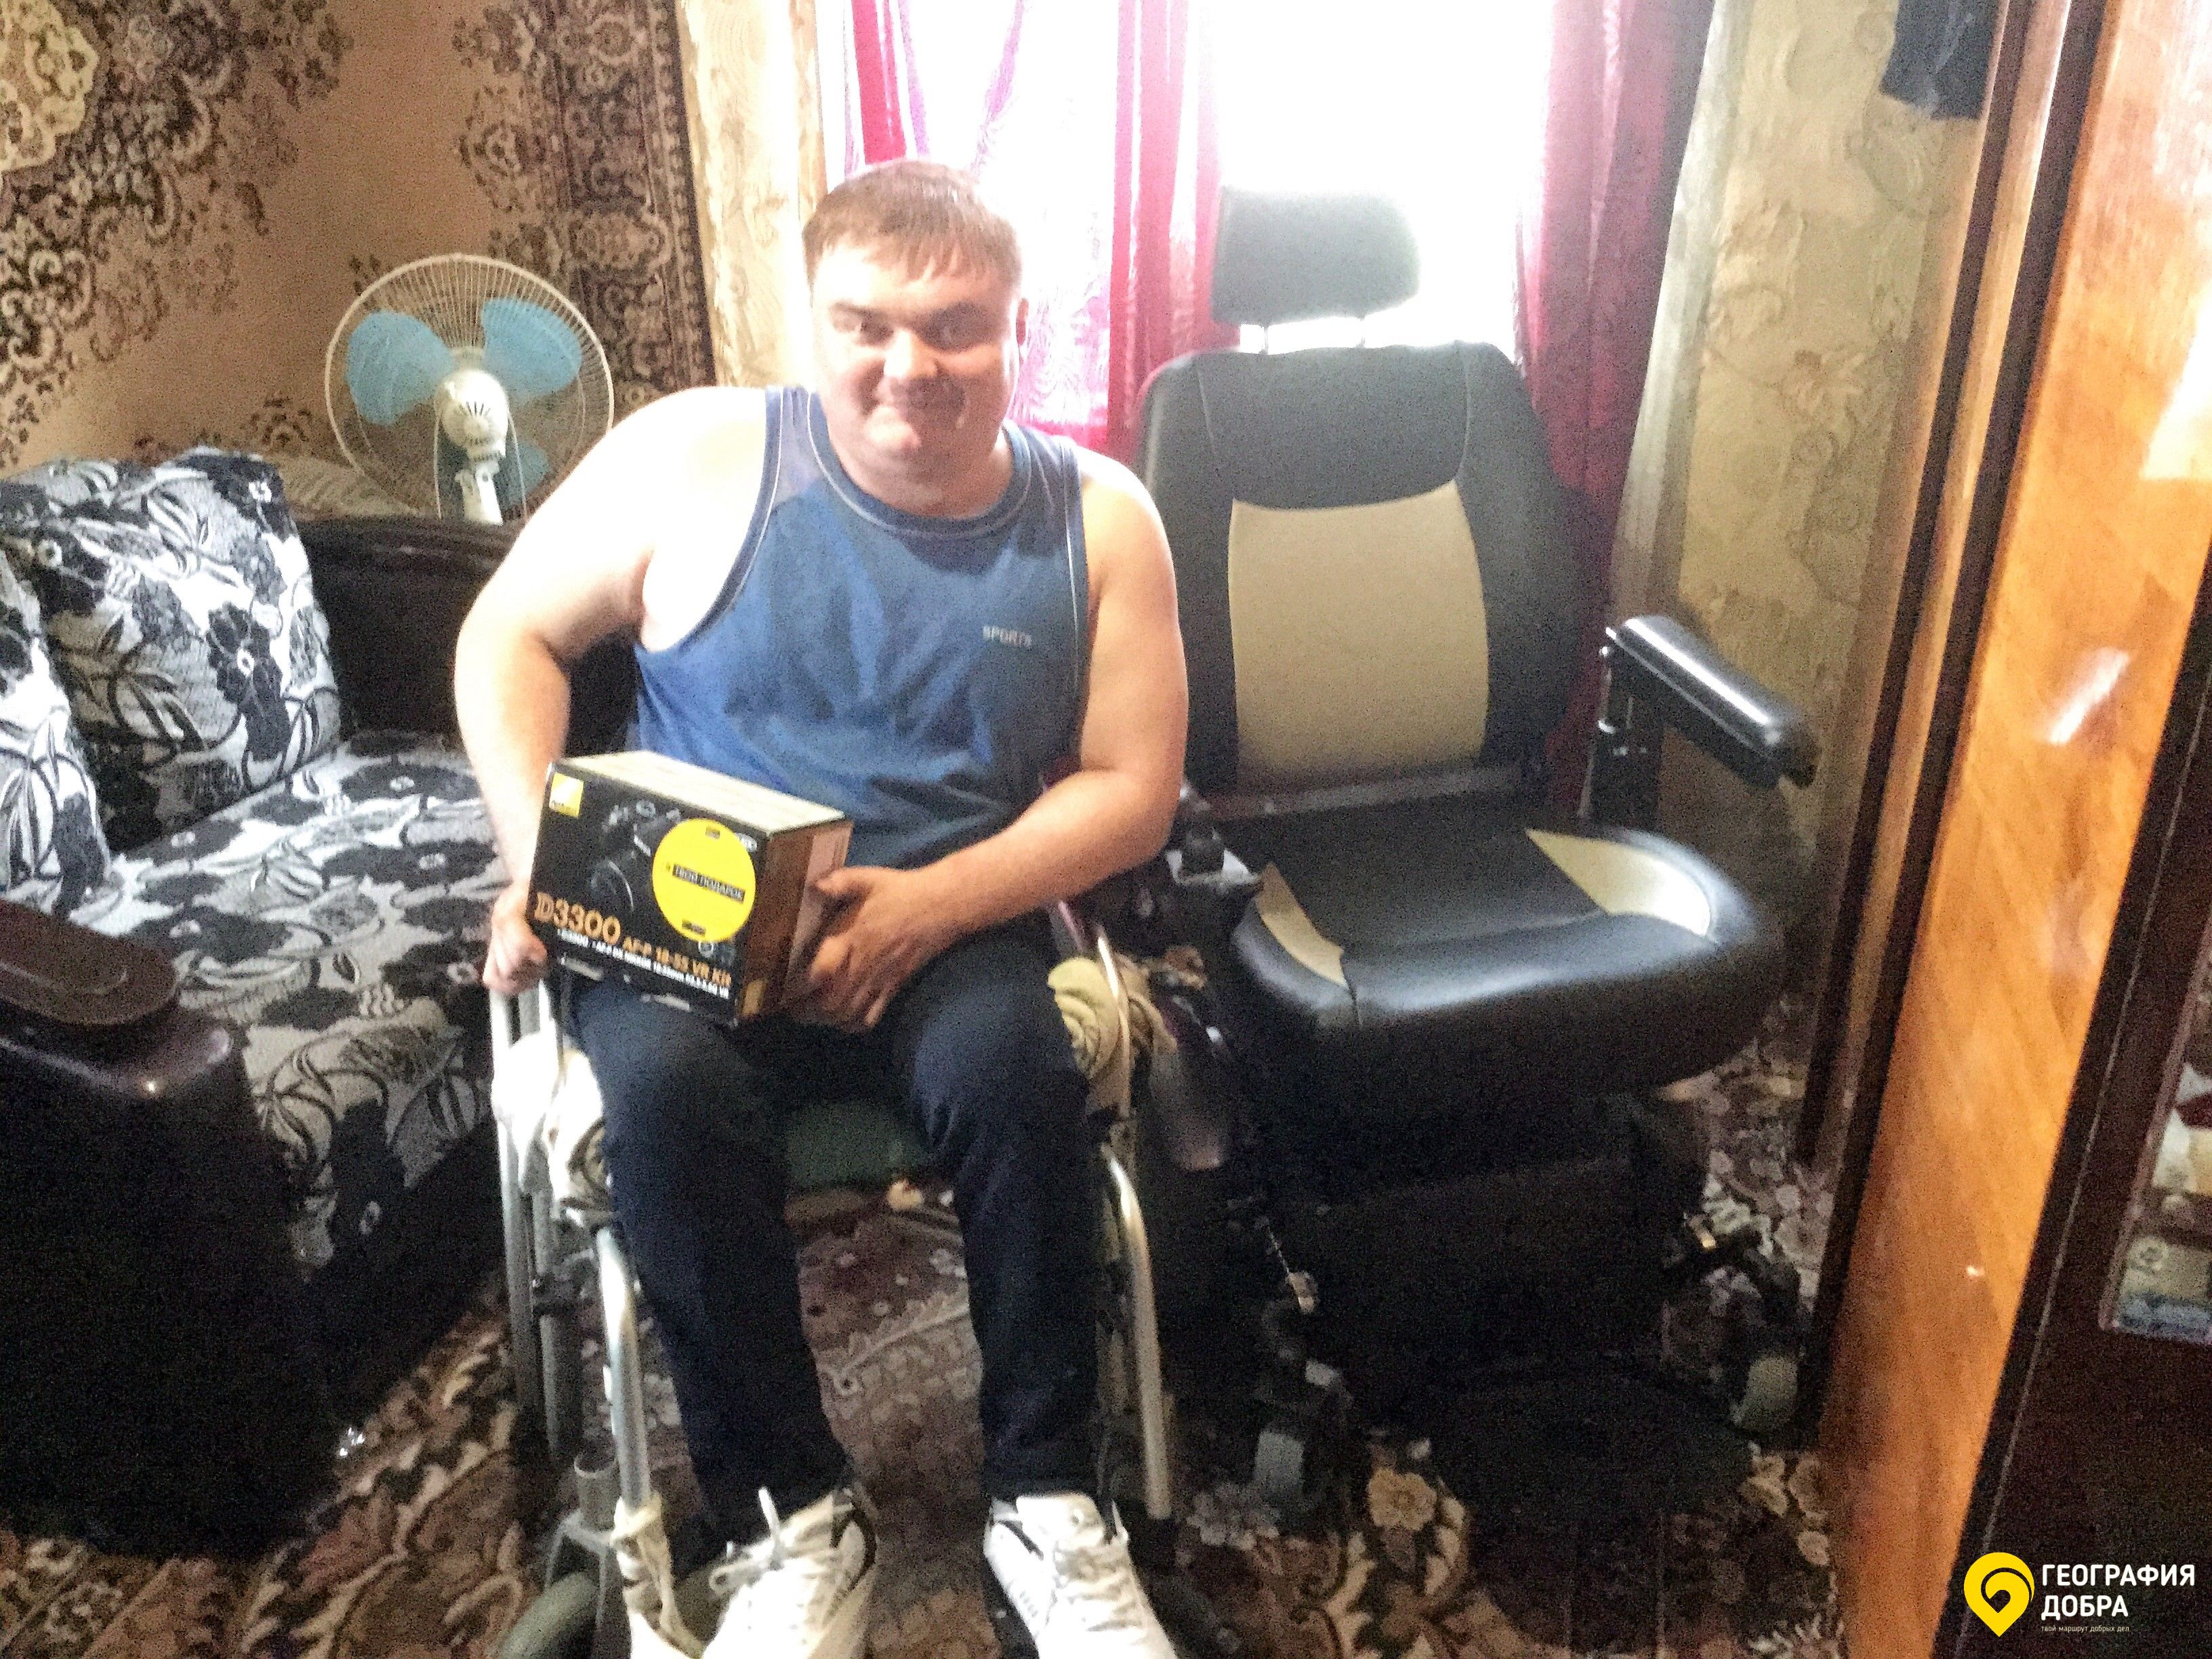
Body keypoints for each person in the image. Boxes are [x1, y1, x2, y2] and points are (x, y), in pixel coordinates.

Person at [454, 160, 1189, 1659]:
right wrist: (539, 851)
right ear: (810, 323)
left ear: (1019, 331)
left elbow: (1132, 788)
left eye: (956, 326)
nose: (910, 365)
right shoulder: (693, 455)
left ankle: (1049, 1500)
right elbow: (506, 635)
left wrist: (926, 909)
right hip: (688, 926)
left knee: (1016, 1072)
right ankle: (792, 1519)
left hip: (952, 915)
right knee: (665, 1097)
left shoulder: (1102, 517)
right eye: (866, 324)